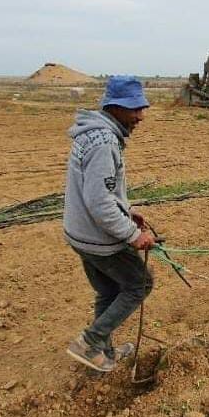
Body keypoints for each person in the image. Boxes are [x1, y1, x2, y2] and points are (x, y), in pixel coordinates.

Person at [63, 75, 156, 372]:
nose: (140, 115)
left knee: (108, 291)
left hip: (79, 232)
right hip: (98, 238)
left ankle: (103, 353)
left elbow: (101, 191)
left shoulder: (92, 133)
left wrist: (126, 210)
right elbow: (100, 203)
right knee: (140, 283)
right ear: (114, 107)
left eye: (141, 107)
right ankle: (90, 341)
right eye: (134, 109)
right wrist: (132, 235)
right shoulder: (104, 142)